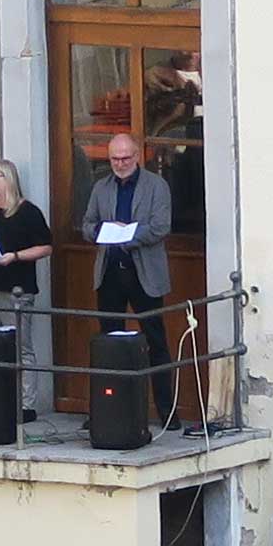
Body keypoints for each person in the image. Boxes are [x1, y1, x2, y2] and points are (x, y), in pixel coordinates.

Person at [80, 127, 175, 427]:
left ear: (137, 156)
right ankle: (109, 411)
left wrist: (126, 234)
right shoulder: (101, 187)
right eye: (114, 159)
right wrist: (102, 232)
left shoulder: (156, 186)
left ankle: (167, 412)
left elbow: (160, 227)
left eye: (125, 158)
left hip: (144, 274)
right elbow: (87, 224)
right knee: (109, 343)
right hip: (110, 273)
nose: (120, 164)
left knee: (155, 342)